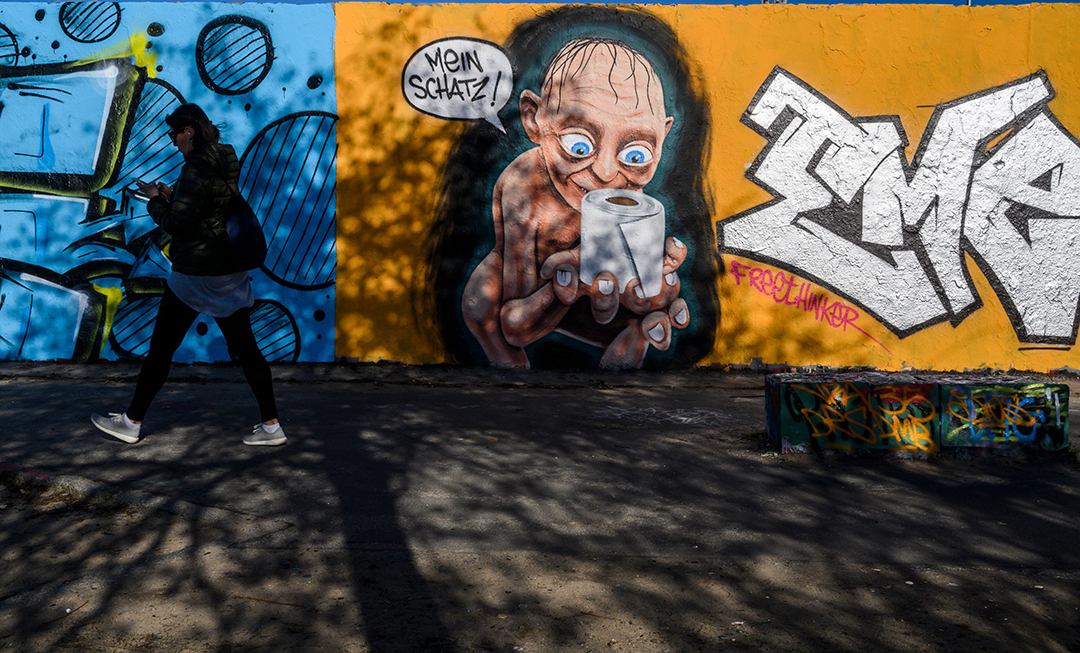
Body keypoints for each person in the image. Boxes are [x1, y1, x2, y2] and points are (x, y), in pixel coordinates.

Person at [461, 37, 690, 369]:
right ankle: (511, 373)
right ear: (532, 119)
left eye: (636, 153)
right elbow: (515, 326)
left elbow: (632, 291)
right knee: (479, 304)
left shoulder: (629, 199)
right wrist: (565, 285)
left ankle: (634, 336)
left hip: (589, 310)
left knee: (646, 303)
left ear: (662, 136)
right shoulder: (525, 188)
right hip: (530, 301)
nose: (607, 172)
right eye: (579, 144)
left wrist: (652, 284)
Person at [91, 103, 285, 446]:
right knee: (248, 350)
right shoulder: (223, 159)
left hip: (197, 274)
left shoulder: (196, 167)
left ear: (189, 132)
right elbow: (212, 207)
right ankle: (271, 427)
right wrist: (173, 195)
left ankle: (131, 422)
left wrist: (154, 200)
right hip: (230, 272)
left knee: (161, 350)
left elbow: (179, 224)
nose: (173, 141)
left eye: (174, 135)